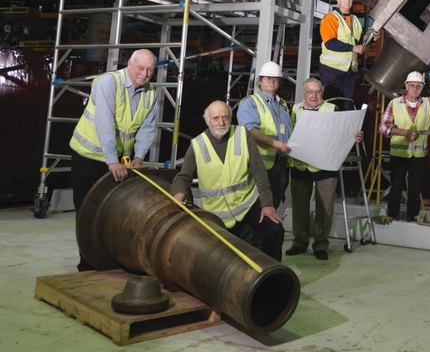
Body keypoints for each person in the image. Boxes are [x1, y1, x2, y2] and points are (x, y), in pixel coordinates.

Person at [69, 49, 158, 271]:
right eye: (140, 68)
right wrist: (112, 161)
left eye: (150, 70)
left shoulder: (150, 93)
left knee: (115, 213)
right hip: (88, 156)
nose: (144, 74)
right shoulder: (107, 82)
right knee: (88, 213)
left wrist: (138, 157)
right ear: (129, 64)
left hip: (118, 160)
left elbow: (147, 129)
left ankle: (109, 260)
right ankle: (87, 265)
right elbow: (104, 124)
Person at [171, 101, 284, 261]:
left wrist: (267, 204)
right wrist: (179, 193)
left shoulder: (243, 135)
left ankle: (272, 276)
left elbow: (259, 171)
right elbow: (183, 177)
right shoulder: (198, 144)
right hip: (217, 214)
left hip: (248, 205)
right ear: (207, 120)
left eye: (225, 117)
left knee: (275, 230)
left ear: (231, 118)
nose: (221, 122)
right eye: (216, 118)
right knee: (215, 259)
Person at [285, 78, 363, 260]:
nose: (314, 95)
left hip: (325, 165)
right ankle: (299, 242)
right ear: (303, 93)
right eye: (310, 92)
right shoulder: (295, 109)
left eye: (317, 92)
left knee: (325, 208)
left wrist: (355, 136)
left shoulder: (331, 109)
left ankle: (321, 244)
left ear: (322, 93)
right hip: (300, 165)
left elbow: (343, 132)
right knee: (299, 207)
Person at [379, 71, 430, 222]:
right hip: (399, 155)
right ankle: (392, 217)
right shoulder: (395, 103)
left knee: (415, 190)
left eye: (419, 85)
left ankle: (412, 219)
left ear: (423, 87)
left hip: (419, 156)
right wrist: (402, 132)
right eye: (412, 85)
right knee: (396, 189)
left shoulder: (428, 103)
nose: (415, 88)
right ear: (406, 86)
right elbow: (383, 127)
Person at [236, 61, 293, 209]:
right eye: (268, 78)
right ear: (260, 81)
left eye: (275, 78)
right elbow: (251, 131)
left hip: (280, 166)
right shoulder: (251, 103)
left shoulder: (283, 105)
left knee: (273, 207)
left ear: (279, 82)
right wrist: (274, 143)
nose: (272, 81)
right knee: (257, 209)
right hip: (258, 168)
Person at [319, 0, 363, 109]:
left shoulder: (355, 20)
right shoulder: (330, 19)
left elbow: (357, 41)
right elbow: (330, 43)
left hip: (349, 71)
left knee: (347, 105)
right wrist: (353, 48)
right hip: (331, 70)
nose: (347, 1)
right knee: (330, 106)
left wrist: (371, 39)